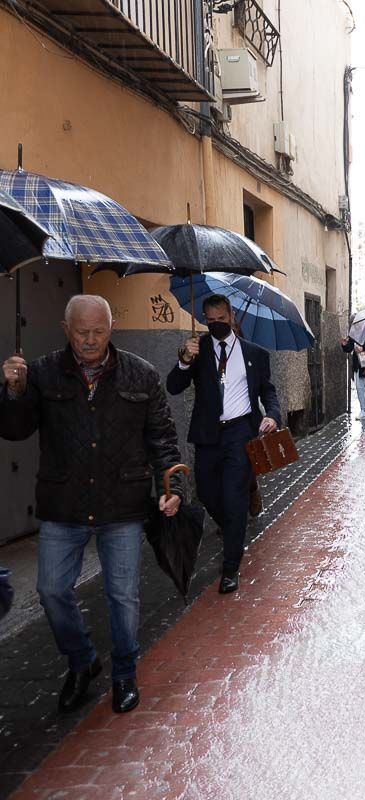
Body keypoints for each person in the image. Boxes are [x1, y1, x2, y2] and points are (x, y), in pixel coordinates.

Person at [1, 295, 183, 714]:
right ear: (66, 330)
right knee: (50, 590)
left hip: (122, 504)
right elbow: (14, 430)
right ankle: (82, 661)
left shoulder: (141, 375)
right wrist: (12, 392)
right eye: (81, 332)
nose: (89, 340)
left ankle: (123, 674)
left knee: (122, 595)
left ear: (111, 328)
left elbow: (163, 439)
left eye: (98, 331)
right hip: (63, 504)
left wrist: (171, 489)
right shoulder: (42, 374)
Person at [167, 294, 281, 595]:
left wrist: (272, 415)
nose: (215, 324)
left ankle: (230, 568)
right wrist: (183, 361)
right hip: (207, 435)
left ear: (231, 316)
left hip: (240, 433)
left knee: (234, 498)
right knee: (206, 493)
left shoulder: (254, 353)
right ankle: (234, 527)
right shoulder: (197, 350)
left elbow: (267, 391)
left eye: (220, 318)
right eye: (210, 320)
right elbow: (173, 387)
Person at [341, 335, 365, 421]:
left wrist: (364, 348)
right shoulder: (354, 333)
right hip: (358, 365)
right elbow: (349, 348)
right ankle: (363, 410)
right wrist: (345, 345)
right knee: (360, 388)